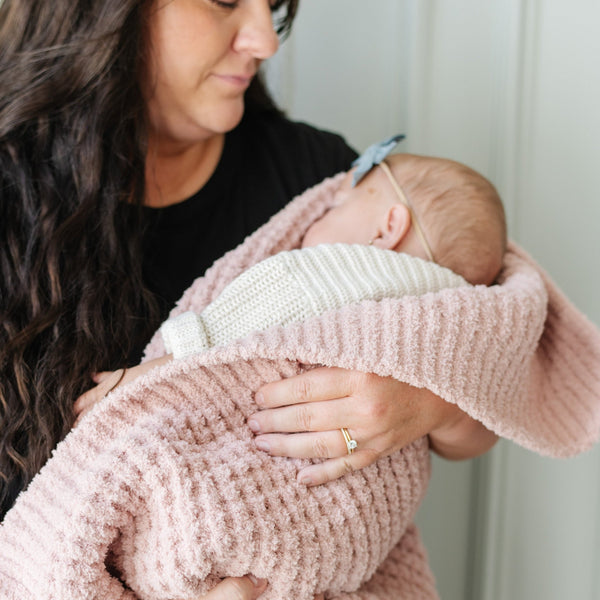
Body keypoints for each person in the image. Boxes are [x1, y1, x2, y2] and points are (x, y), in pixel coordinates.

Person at [2, 1, 599, 599]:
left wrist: (429, 400)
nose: (266, 41)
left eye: (272, 6)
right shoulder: (14, 202)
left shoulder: (316, 180)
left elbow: (477, 403)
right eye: (227, 1)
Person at [74, 148, 507, 421]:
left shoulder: (335, 271)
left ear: (388, 227)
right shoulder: (444, 309)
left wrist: (147, 377)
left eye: (337, 204)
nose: (319, 210)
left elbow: (232, 331)